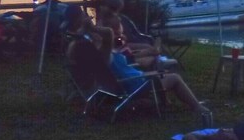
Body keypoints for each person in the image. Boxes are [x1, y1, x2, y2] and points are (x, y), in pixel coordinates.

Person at [65, 9, 212, 125]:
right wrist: (91, 28)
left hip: (128, 82)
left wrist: (88, 31)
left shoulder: (95, 54)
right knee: (174, 78)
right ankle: (197, 107)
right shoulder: (103, 54)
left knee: (158, 72)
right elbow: (108, 34)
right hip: (134, 85)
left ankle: (167, 102)